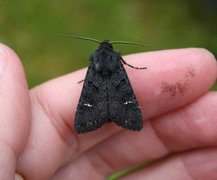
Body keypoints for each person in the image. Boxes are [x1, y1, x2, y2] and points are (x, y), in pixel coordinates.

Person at [0, 43, 216, 180]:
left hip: (92, 93)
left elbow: (90, 69)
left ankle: (97, 113)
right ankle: (119, 113)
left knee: (87, 110)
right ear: (115, 54)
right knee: (128, 106)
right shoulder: (117, 58)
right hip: (121, 90)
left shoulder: (94, 58)